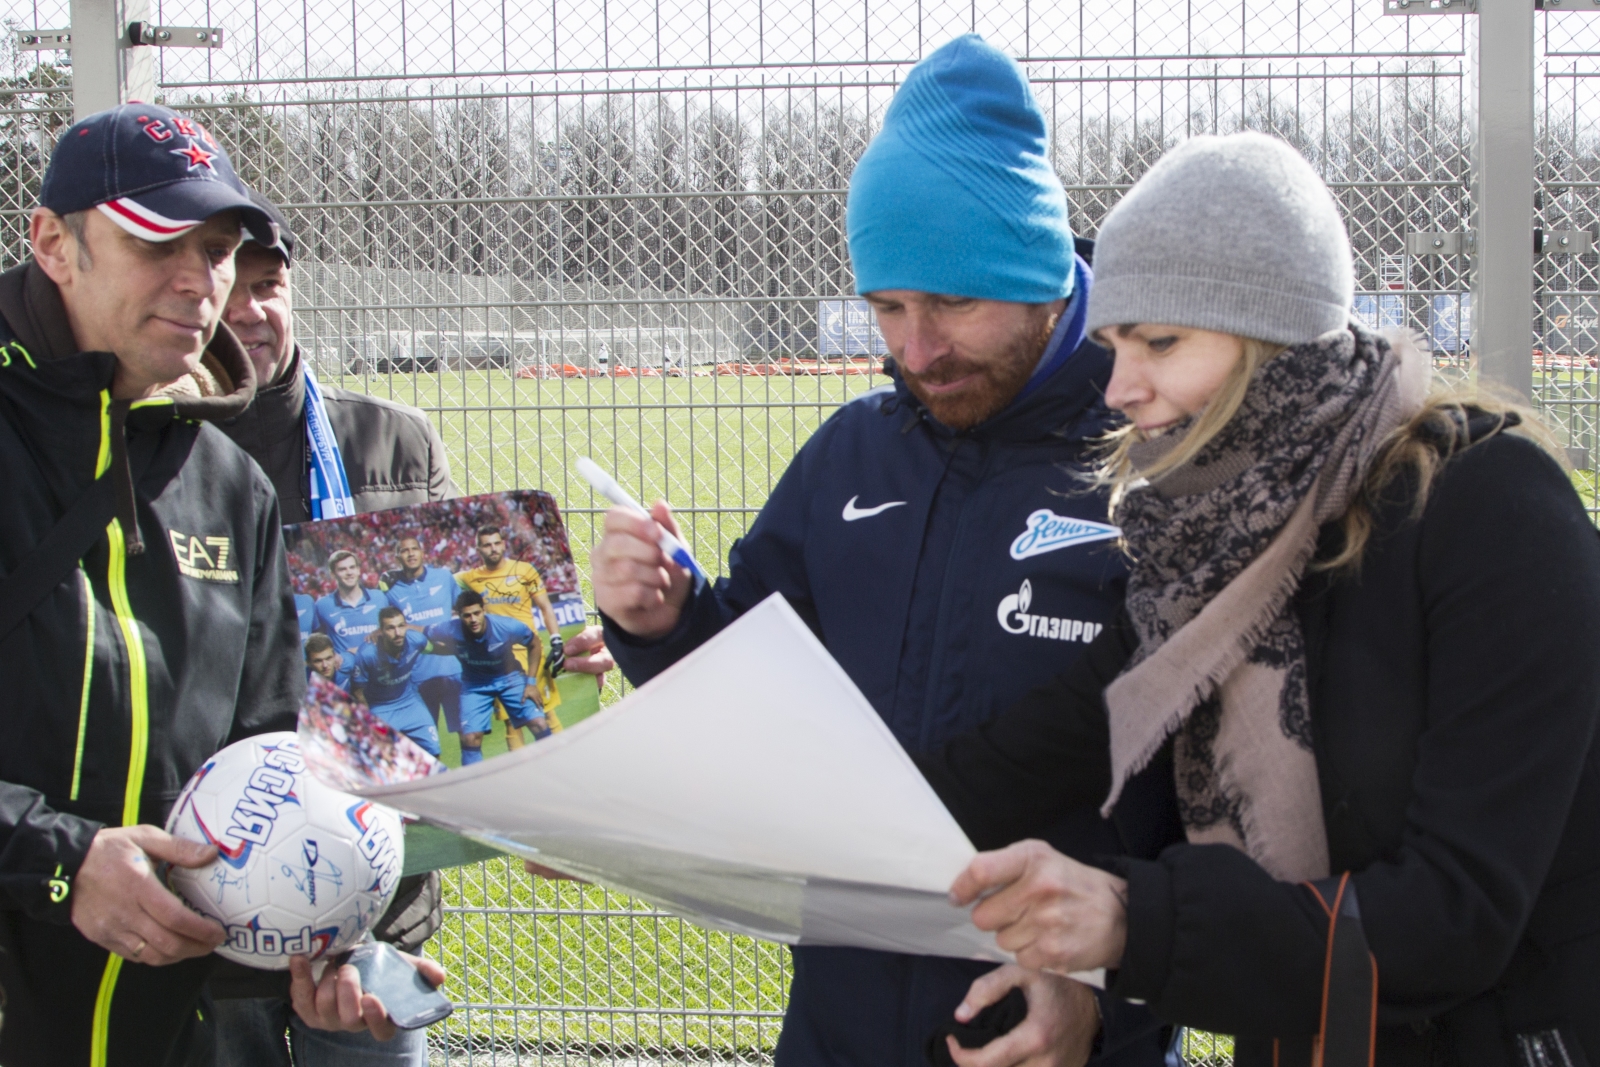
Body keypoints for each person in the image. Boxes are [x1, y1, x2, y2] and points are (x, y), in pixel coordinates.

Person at [919, 133, 1600, 1067]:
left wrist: (1129, 920)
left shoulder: (1490, 509)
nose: (1120, 388)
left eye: (1160, 340)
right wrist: (821, 811)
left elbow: (1458, 912)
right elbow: (1049, 743)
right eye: (1113, 343)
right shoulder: (1200, 545)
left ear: (1272, 338)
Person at [592, 35, 1168, 1067]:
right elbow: (760, 685)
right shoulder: (851, 452)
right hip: (837, 1022)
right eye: (887, 307)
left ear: (1044, 280)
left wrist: (1108, 1001)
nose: (915, 348)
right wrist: (665, 621)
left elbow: (1209, 811)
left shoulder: (1153, 460)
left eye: (952, 302)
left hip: (1054, 1028)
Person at [0, 102, 431, 1067]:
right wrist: (62, 863)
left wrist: (311, 939)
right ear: (53, 245)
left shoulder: (230, 486)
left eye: (223, 247)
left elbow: (261, 762)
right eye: (162, 243)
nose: (204, 282)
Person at [208, 191, 612, 1067]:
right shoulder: (151, 449)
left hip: (377, 889)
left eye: (271, 283)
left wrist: (558, 663)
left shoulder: (391, 439)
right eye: (231, 285)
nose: (253, 309)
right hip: (218, 897)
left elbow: (449, 616)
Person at [456, 525, 567, 746]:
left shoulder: (525, 570)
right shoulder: (470, 578)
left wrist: (556, 639)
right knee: (512, 722)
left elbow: (545, 607)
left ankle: (564, 759)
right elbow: (438, 581)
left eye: (497, 543)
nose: (493, 548)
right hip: (499, 660)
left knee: (546, 713)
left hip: (530, 651)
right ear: (478, 549)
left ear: (504, 544)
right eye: (487, 545)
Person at [425, 591, 553, 762]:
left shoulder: (506, 626)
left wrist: (530, 683)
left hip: (510, 679)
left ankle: (555, 764)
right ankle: (474, 784)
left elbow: (534, 644)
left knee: (539, 724)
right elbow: (421, 631)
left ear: (484, 610)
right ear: (459, 616)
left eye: (477, 613)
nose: (473, 620)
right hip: (474, 685)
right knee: (470, 738)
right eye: (467, 616)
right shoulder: (449, 629)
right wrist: (382, 632)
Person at [381, 534, 466, 746]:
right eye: (404, 550)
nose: (410, 553)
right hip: (417, 675)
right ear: (397, 556)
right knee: (423, 742)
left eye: (414, 549)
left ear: (422, 552)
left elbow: (465, 610)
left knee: (469, 736)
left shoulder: (444, 577)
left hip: (453, 670)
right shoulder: (391, 591)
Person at [349, 607, 443, 755]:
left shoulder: (415, 640)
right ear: (381, 631)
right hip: (381, 708)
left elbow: (436, 648)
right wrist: (369, 722)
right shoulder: (367, 654)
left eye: (401, 626)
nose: (398, 633)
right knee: (386, 759)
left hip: (410, 703)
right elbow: (358, 692)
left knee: (434, 750)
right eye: (391, 628)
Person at [313, 549, 391, 659]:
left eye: (352, 567)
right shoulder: (322, 605)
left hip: (379, 669)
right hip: (346, 673)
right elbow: (318, 643)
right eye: (342, 569)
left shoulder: (379, 598)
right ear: (333, 574)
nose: (349, 572)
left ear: (359, 570)